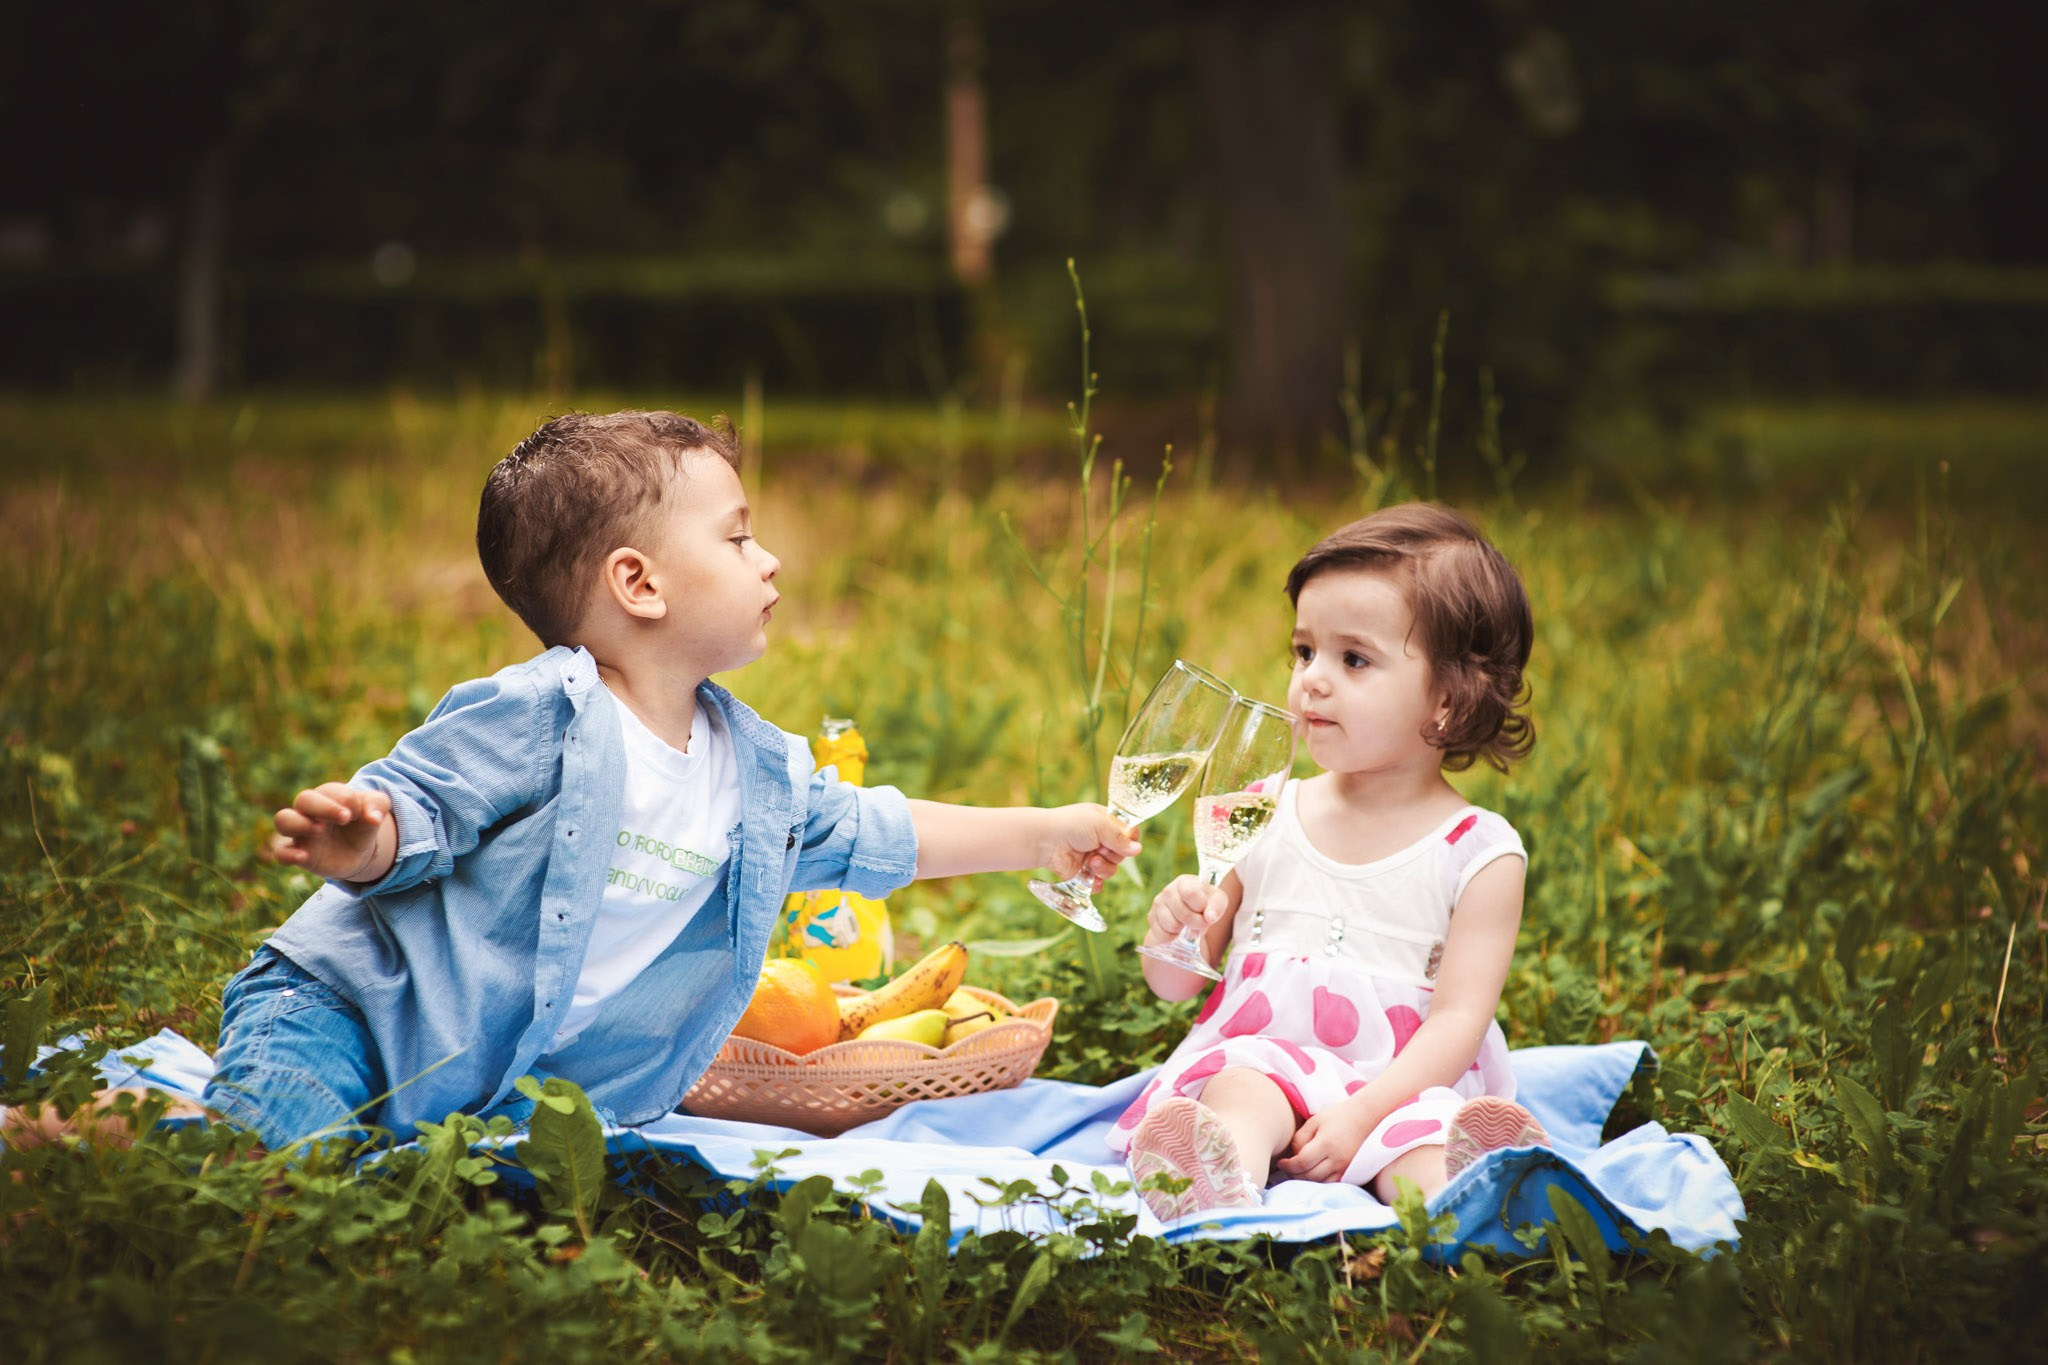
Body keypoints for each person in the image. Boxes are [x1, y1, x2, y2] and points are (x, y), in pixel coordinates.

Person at [5, 410, 1137, 1153]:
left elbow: (873, 835)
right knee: (281, 1158)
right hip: (350, 1009)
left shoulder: (752, 766)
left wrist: (1043, 831)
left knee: (401, 1166)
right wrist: (366, 839)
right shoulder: (540, 712)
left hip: (475, 1072)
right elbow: (422, 805)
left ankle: (159, 1120)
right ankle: (70, 1135)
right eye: (739, 538)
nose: (770, 560)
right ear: (637, 583)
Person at [1110, 503, 1546, 1221]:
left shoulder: (1479, 850)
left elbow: (1458, 1021)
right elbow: (1176, 982)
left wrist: (1361, 1114)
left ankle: (1461, 1199)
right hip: (1273, 1062)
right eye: (1304, 651)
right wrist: (1174, 927)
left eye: (1353, 658)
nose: (1311, 678)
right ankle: (1215, 1179)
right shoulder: (1265, 809)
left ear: (1448, 698)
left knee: (1420, 1139)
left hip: (1400, 1084)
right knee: (1240, 1091)